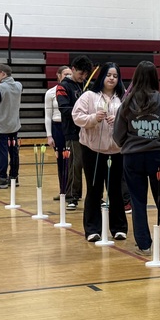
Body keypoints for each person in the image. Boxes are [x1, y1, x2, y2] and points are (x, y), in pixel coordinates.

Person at [113, 61, 160, 256]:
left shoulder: (126, 103)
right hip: (157, 157)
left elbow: (117, 135)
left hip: (132, 158)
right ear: (155, 77)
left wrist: (132, 142)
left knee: (137, 201)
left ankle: (143, 245)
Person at [73, 62, 129, 243]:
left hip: (116, 150)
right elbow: (76, 116)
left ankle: (119, 228)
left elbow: (130, 120)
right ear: (102, 76)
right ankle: (92, 229)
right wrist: (93, 118)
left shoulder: (124, 98)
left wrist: (118, 120)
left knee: (115, 190)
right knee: (94, 189)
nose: (112, 78)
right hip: (92, 150)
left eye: (115, 76)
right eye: (108, 75)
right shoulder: (89, 96)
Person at [56, 56, 91, 210]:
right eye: (81, 73)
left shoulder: (87, 86)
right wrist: (82, 112)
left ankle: (94, 196)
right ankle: (71, 196)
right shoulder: (63, 86)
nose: (83, 77)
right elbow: (64, 109)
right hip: (72, 131)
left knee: (90, 165)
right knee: (75, 165)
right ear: (73, 69)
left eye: (86, 74)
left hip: (89, 130)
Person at [45, 65, 72, 200]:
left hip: (71, 127)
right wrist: (49, 135)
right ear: (59, 75)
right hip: (58, 128)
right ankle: (63, 190)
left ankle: (73, 191)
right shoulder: (51, 92)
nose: (68, 77)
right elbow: (47, 115)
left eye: (70, 74)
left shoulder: (73, 90)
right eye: (66, 74)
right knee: (61, 160)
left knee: (73, 161)